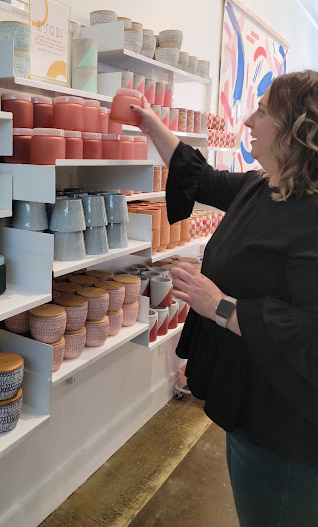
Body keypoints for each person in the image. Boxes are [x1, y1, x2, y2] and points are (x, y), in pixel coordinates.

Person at [130, 70, 318, 527]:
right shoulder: (261, 188)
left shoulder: (311, 217)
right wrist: (151, 123)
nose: (249, 121)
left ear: (293, 134)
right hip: (248, 406)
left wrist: (221, 305)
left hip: (284, 429)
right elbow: (202, 177)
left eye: (263, 111)